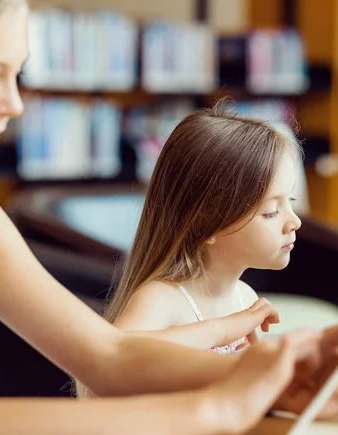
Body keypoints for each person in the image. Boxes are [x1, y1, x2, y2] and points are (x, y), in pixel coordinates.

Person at [0, 0, 338, 435]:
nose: (14, 104)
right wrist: (223, 403)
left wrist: (278, 377)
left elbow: (109, 356)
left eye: (17, 75)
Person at [103, 105, 302, 356]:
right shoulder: (162, 299)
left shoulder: (246, 298)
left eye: (291, 202)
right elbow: (116, 356)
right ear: (207, 223)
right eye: (271, 211)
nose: (295, 222)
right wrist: (222, 330)